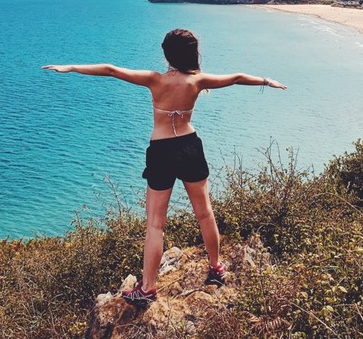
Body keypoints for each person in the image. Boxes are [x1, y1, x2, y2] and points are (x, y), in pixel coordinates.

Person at [42, 28, 286, 308]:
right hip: (190, 146)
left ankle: (147, 289)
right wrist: (267, 80)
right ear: (191, 53)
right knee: (205, 213)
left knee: (155, 223)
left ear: (168, 54)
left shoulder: (155, 80)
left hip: (162, 151)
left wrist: (71, 67)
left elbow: (110, 70)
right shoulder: (199, 81)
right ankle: (216, 268)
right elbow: (238, 78)